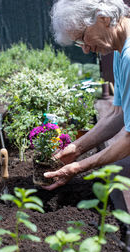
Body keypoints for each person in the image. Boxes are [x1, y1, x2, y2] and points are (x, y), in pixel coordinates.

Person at [43, 0, 130, 190]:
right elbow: (118, 114)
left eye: (83, 38)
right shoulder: (120, 50)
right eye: (79, 43)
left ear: (103, 17)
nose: (85, 49)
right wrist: (76, 149)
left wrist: (79, 167)